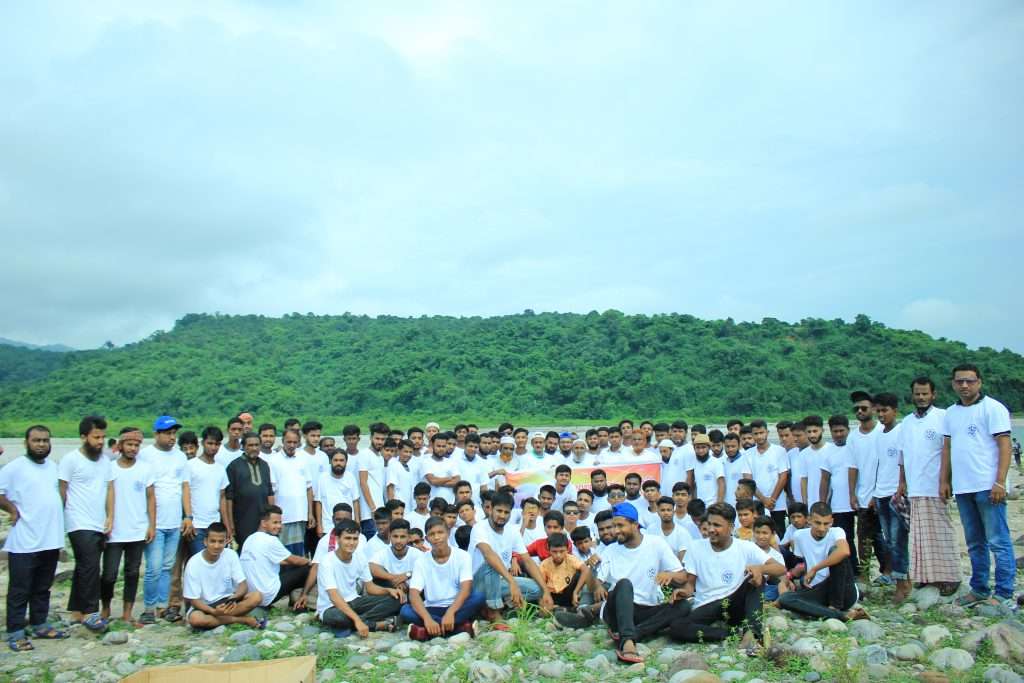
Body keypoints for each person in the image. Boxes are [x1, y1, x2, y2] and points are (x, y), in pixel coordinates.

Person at [940, 363, 1015, 609]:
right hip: (963, 488)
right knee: (974, 542)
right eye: (959, 381)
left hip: (988, 485)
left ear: (979, 382)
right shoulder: (950, 413)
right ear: (953, 384)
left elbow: (1005, 445)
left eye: (969, 381)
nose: (964, 385)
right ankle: (979, 588)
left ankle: (1004, 591)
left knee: (998, 540)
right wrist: (945, 480)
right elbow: (948, 448)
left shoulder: (993, 409)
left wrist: (999, 482)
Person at [668, 502, 785, 646]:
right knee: (676, 627)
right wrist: (684, 591)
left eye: (717, 525)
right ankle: (735, 634)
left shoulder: (745, 547)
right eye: (709, 524)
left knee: (755, 578)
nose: (711, 529)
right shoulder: (695, 547)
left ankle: (753, 632)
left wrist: (760, 569)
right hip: (708, 603)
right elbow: (690, 585)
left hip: (735, 601)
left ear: (731, 527)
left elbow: (780, 568)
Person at [0, 425, 69, 652]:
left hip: (50, 539)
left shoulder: (53, 468)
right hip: (25, 540)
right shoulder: (14, 468)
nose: (41, 444)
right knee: (20, 588)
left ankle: (40, 624)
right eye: (37, 440)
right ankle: (15, 631)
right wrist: (11, 510)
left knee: (42, 587)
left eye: (45, 441)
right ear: (26, 443)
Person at [592, 503, 687, 664]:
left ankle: (632, 633)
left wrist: (669, 574)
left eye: (620, 525)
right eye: (614, 526)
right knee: (624, 584)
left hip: (644, 609)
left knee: (683, 606)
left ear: (635, 525)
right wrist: (598, 585)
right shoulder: (610, 550)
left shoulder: (656, 544)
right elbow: (597, 583)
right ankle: (628, 642)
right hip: (616, 610)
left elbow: (683, 576)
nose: (615, 531)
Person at [897, 377, 960, 596]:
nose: (921, 397)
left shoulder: (943, 417)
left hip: (935, 486)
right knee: (919, 536)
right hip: (915, 488)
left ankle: (950, 577)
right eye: (917, 393)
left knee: (941, 532)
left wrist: (946, 482)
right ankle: (925, 577)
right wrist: (902, 483)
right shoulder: (907, 422)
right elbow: (902, 455)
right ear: (912, 395)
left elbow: (948, 451)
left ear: (934, 395)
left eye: (925, 393)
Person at [59, 415, 115, 632]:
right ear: (83, 437)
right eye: (96, 437)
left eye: (102, 437)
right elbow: (62, 490)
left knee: (84, 566)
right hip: (78, 521)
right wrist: (60, 520)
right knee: (91, 566)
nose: (100, 441)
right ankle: (91, 612)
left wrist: (110, 516)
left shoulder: (104, 461)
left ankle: (76, 611)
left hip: (98, 521)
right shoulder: (70, 459)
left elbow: (110, 489)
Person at [138, 414, 192, 625]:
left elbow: (184, 487)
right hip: (154, 523)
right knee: (153, 567)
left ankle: (162, 606)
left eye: (173, 433)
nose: (172, 437)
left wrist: (188, 516)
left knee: (168, 566)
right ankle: (149, 608)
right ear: (156, 434)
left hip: (174, 522)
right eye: (168, 433)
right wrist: (147, 523)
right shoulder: (145, 455)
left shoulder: (180, 457)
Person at [777, 502, 868, 622]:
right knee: (785, 599)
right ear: (809, 520)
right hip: (818, 589)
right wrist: (791, 578)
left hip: (843, 590)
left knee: (836, 552)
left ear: (832, 521)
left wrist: (815, 568)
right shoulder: (799, 536)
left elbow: (844, 551)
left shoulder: (837, 532)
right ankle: (840, 615)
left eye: (826, 524)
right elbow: (804, 562)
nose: (822, 528)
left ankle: (835, 607)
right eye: (817, 523)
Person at [101, 428, 155, 625]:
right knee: (109, 574)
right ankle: (105, 609)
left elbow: (150, 498)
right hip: (114, 531)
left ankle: (127, 613)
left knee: (132, 573)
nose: (133, 448)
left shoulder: (145, 468)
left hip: (137, 529)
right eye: (129, 444)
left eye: (136, 445)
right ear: (120, 446)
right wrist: (106, 520)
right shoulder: (110, 468)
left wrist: (152, 525)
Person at [468, 493, 549, 621]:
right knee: (492, 564)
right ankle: (493, 613)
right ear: (490, 509)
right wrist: (512, 582)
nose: (502, 516)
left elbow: (527, 560)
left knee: (537, 589)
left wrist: (546, 592)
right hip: (478, 585)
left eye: (506, 512)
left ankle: (504, 604)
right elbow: (489, 555)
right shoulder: (479, 528)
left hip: (501, 581)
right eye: (499, 511)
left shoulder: (512, 531)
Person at [402, 516, 485, 640]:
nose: (436, 537)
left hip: (457, 607)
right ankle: (459, 628)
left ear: (448, 533)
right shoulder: (421, 561)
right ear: (426, 539)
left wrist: (451, 613)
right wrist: (427, 619)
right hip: (431, 609)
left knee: (479, 597)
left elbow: (466, 589)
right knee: (405, 611)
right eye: (432, 534)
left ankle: (426, 632)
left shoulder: (463, 556)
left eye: (440, 532)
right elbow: (414, 594)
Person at [315, 519, 402, 636]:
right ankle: (375, 625)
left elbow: (370, 588)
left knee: (396, 600)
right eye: (347, 538)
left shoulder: (360, 557)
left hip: (355, 601)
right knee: (338, 617)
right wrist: (356, 620)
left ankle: (360, 623)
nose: (351, 543)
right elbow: (334, 597)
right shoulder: (327, 561)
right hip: (332, 607)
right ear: (337, 539)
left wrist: (388, 590)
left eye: (355, 539)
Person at [183, 522, 265, 630]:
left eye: (221, 542)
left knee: (257, 596)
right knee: (196, 619)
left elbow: (243, 585)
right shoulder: (193, 563)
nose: (216, 546)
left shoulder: (231, 555)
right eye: (212, 541)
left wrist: (234, 598)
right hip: (206, 606)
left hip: (227, 602)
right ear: (205, 541)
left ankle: (221, 620)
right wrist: (214, 611)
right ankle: (242, 620)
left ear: (226, 541)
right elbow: (194, 600)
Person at [846, 390, 890, 583]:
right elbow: (853, 467)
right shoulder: (853, 437)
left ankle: (889, 573)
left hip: (884, 494)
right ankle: (864, 575)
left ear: (873, 408)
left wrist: (877, 492)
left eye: (864, 408)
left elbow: (887, 465)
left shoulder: (883, 431)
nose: (860, 411)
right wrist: (852, 494)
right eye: (857, 409)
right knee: (863, 537)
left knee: (885, 536)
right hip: (862, 496)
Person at [871, 393, 910, 601]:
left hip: (896, 494)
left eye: (885, 411)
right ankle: (903, 580)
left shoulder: (902, 431)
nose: (881, 415)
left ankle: (902, 583)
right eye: (878, 411)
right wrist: (875, 493)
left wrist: (902, 485)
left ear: (895, 410)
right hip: (881, 493)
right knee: (889, 540)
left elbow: (905, 460)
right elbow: (879, 464)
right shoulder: (879, 435)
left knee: (898, 540)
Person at [240, 506, 312, 610]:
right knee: (308, 569)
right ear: (264, 523)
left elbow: (277, 560)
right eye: (275, 523)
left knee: (289, 566)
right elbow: (294, 560)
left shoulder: (250, 539)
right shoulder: (271, 540)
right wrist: (310, 562)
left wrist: (291, 562)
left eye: (280, 522)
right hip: (267, 595)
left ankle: (296, 599)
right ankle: (300, 601)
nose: (279, 526)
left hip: (251, 594)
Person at [819, 415, 857, 573]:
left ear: (848, 430)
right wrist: (822, 504)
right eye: (835, 431)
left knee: (869, 538)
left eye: (842, 431)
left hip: (859, 501)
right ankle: (850, 571)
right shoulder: (828, 451)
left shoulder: (855, 446)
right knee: (844, 539)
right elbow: (825, 479)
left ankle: (864, 572)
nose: (839, 434)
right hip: (839, 505)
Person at [225, 432, 275, 549]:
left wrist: (272, 518)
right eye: (250, 445)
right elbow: (229, 497)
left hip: (263, 519)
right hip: (242, 520)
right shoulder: (234, 466)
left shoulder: (264, 465)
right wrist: (230, 524)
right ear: (243, 446)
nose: (254, 448)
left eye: (257, 445)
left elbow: (269, 492)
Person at [269, 429, 314, 556]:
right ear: (282, 441)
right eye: (289, 442)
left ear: (299, 443)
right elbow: (271, 490)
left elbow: (308, 488)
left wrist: (310, 513)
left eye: (295, 442)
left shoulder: (303, 459)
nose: (291, 445)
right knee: (282, 553)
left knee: (299, 552)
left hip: (300, 514)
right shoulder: (273, 461)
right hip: (282, 517)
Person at [187, 426, 230, 557]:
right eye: (210, 443)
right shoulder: (191, 465)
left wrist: (227, 526)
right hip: (196, 526)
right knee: (199, 562)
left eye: (216, 444)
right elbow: (186, 494)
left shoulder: (220, 469)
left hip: (215, 525)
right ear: (202, 443)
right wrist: (189, 519)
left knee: (217, 563)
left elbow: (222, 498)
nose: (213, 447)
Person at [746, 420, 790, 535]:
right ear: (752, 435)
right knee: (759, 536)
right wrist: (764, 500)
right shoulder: (748, 454)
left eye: (761, 432)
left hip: (777, 504)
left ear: (767, 432)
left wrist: (772, 500)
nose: (759, 436)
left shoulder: (779, 451)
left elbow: (783, 477)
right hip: (757, 505)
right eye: (756, 434)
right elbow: (748, 480)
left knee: (779, 535)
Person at [315, 450, 360, 537]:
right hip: (327, 526)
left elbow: (355, 501)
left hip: (348, 526)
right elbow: (318, 502)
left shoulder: (350, 477)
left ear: (346, 462)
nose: (338, 463)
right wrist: (319, 525)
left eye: (341, 460)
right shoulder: (322, 478)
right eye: (335, 460)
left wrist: (357, 522)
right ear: (330, 461)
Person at [538, 532, 590, 609]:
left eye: (562, 551)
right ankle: (558, 608)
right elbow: (541, 586)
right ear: (548, 550)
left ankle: (567, 607)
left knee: (578, 575)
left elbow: (586, 570)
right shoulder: (544, 564)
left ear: (567, 549)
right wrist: (542, 603)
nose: (558, 555)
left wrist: (576, 592)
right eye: (554, 552)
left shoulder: (571, 559)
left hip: (569, 593)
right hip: (552, 595)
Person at [358, 423, 391, 539]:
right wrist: (372, 508)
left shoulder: (380, 457)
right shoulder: (364, 454)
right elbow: (363, 482)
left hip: (379, 509)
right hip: (369, 512)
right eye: (377, 438)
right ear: (371, 437)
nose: (380, 442)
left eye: (383, 439)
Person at [690, 434, 726, 504]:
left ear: (709, 448)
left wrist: (718, 504)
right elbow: (694, 485)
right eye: (698, 447)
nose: (700, 451)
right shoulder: (694, 463)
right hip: (699, 506)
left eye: (703, 447)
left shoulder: (716, 462)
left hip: (713, 505)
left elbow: (722, 484)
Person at [721, 433, 751, 506]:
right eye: (727, 446)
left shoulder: (746, 461)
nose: (730, 449)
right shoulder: (721, 462)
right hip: (726, 505)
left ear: (739, 445)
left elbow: (748, 485)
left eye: (733, 446)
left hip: (741, 505)